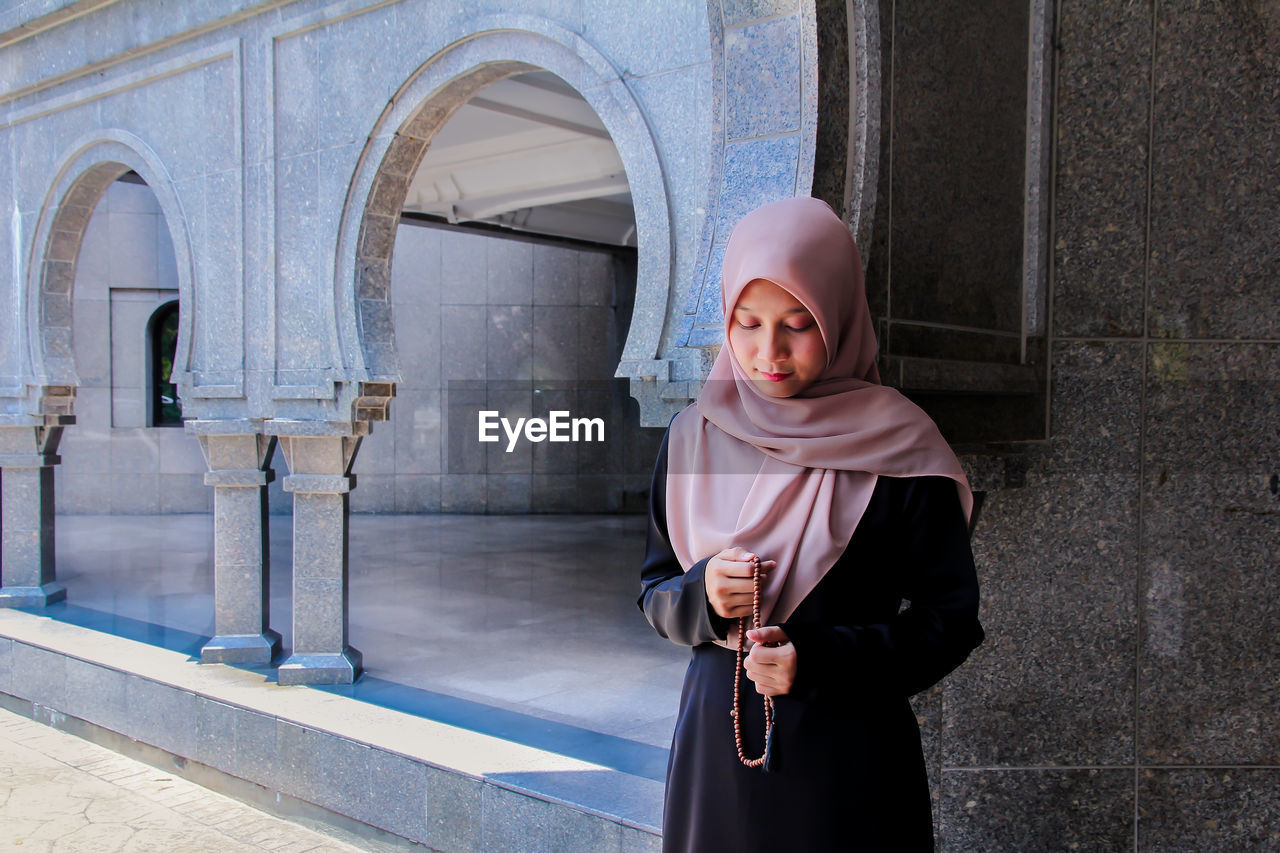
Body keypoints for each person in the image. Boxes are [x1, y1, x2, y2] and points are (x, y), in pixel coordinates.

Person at [637, 197, 984, 852]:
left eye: (798, 325)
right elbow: (655, 591)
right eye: (747, 323)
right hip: (717, 754)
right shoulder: (691, 438)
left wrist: (820, 660)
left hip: (847, 763)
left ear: (840, 316)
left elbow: (949, 621)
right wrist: (703, 597)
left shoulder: (901, 450)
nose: (769, 352)